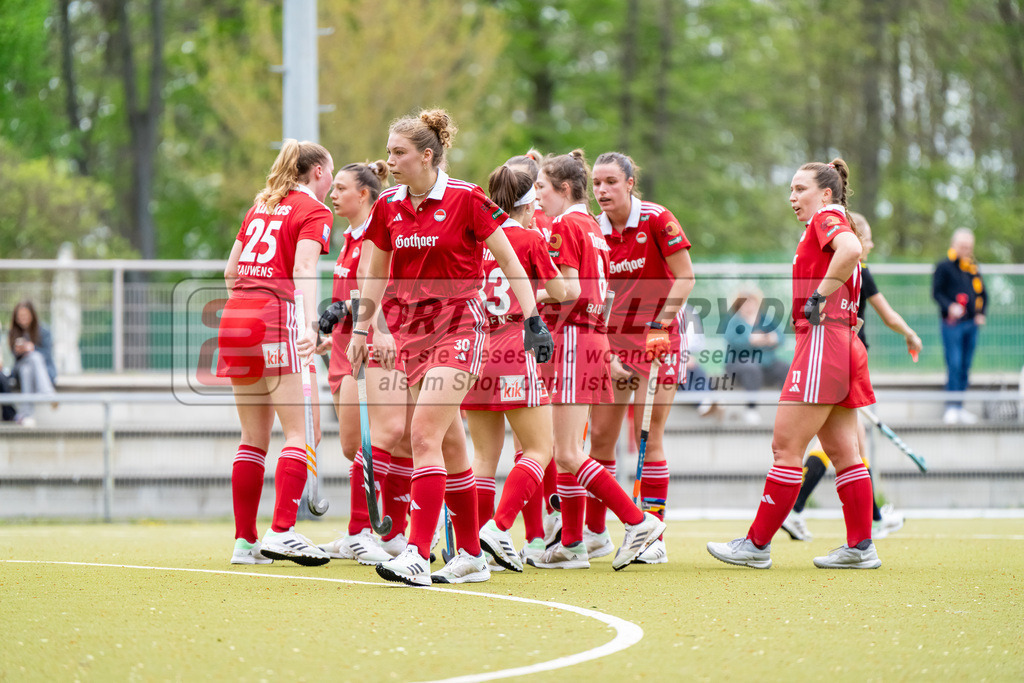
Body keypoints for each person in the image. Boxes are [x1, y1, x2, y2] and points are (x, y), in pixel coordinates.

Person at [349, 109, 553, 587]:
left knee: (423, 435)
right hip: (411, 334)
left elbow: (509, 260)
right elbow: (374, 273)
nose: (389, 160)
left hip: (460, 328)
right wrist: (362, 330)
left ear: (427, 155)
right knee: (451, 446)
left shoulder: (466, 197)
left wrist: (533, 319)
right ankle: (471, 555)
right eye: (389, 151)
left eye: (399, 152)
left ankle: (417, 553)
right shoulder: (389, 205)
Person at [707, 158, 882, 570]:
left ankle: (756, 545)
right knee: (845, 452)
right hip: (841, 342)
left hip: (824, 343)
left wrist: (818, 297)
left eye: (800, 189)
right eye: (791, 189)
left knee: (785, 447)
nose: (792, 197)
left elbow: (851, 250)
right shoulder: (833, 221)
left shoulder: (826, 218)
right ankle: (860, 547)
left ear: (826, 193)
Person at [528, 149, 666, 571]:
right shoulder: (592, 225)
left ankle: (638, 522)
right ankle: (572, 544)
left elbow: (569, 290)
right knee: (566, 449)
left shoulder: (566, 225)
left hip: (573, 337)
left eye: (541, 188)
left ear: (563, 189)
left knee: (569, 453)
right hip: (589, 339)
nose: (536, 197)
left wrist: (524, 297)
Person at [218, 139, 335, 567]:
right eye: (330, 172)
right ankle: (282, 531)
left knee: (252, 439)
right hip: (274, 317)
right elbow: (303, 268)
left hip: (235, 319)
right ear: (318, 172)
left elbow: (230, 272)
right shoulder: (314, 210)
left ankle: (244, 543)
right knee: (301, 434)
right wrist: (307, 324)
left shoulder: (260, 205)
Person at [782, 211, 923, 542]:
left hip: (834, 357)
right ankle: (806, 510)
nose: (870, 244)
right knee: (841, 444)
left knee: (847, 445)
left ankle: (865, 517)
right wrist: (910, 335)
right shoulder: (859, 269)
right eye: (867, 238)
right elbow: (888, 315)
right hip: (846, 359)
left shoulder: (830, 269)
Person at [587, 152, 695, 566]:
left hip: (659, 339)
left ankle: (653, 536)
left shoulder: (656, 219)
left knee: (648, 435)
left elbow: (685, 278)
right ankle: (595, 534)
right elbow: (595, 297)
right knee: (601, 438)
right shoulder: (592, 229)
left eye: (611, 182)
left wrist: (660, 324)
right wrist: (605, 349)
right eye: (597, 183)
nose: (602, 191)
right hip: (613, 343)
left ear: (630, 183)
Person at [465, 164, 566, 573]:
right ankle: (500, 528)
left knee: (483, 458)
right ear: (529, 202)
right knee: (541, 448)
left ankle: (472, 548)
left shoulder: (476, 238)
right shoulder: (529, 237)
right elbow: (561, 291)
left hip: (475, 348)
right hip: (512, 343)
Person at [312, 161, 406, 566]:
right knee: (355, 446)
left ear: (364, 194)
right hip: (344, 350)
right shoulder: (349, 238)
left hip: (372, 346)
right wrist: (332, 330)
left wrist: (369, 325)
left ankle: (371, 532)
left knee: (385, 437)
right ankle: (375, 532)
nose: (333, 195)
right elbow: (354, 293)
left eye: (341, 189)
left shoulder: (377, 236)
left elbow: (382, 289)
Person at [932, 228, 986, 425]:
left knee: (965, 365)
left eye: (969, 247)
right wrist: (950, 307)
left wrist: (981, 313)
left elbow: (983, 294)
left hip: (971, 324)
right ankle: (951, 407)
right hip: (952, 324)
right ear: (954, 245)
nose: (966, 250)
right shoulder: (944, 266)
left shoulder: (972, 268)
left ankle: (960, 406)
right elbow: (936, 293)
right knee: (954, 364)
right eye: (963, 246)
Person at [723, 288, 789, 425]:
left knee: (786, 368)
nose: (749, 306)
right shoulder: (734, 320)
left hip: (766, 363)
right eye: (745, 303)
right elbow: (733, 341)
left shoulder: (765, 319)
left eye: (752, 303)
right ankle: (751, 409)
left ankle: (788, 408)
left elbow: (781, 336)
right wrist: (751, 340)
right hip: (739, 363)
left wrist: (772, 338)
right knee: (751, 368)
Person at [8, 301, 58, 427]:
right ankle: (47, 393)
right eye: (20, 317)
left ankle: (27, 415)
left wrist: (32, 348)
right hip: (20, 366)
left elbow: (47, 355)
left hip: (39, 370)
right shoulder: (13, 332)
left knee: (29, 366)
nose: (22, 319)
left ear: (32, 315)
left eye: (25, 316)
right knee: (33, 358)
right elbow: (14, 358)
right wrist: (20, 350)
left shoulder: (44, 331)